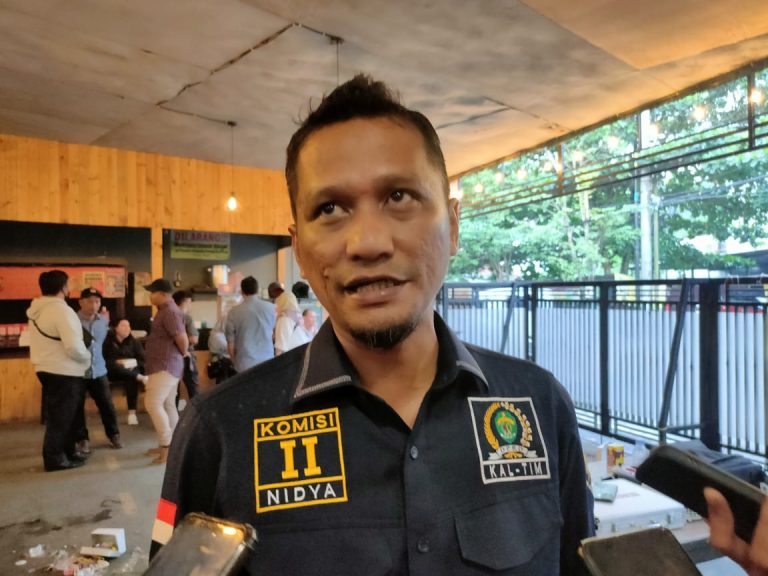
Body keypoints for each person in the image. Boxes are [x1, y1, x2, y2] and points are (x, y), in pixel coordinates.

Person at [152, 75, 768, 574]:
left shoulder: (538, 406)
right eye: (330, 208)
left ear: (453, 225)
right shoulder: (218, 430)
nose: (368, 242)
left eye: (399, 196)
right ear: (301, 248)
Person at [26, 270, 91, 471]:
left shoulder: (37, 310)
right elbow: (73, 346)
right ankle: (55, 458)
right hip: (64, 370)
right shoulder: (62, 311)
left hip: (45, 368)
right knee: (62, 417)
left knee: (63, 415)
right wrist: (86, 357)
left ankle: (68, 452)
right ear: (63, 288)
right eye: (68, 284)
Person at [143, 278, 188, 465]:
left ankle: (167, 446)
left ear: (162, 294)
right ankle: (174, 446)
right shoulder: (166, 311)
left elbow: (182, 339)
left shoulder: (169, 311)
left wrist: (181, 353)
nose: (150, 296)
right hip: (166, 365)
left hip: (165, 365)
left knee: (152, 403)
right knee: (168, 404)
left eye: (152, 292)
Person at [74, 287, 123, 451]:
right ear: (80, 302)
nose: (94, 305)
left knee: (107, 405)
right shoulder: (72, 321)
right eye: (89, 301)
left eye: (97, 301)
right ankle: (82, 439)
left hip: (99, 369)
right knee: (77, 407)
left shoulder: (103, 321)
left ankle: (114, 435)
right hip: (78, 371)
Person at [224, 276, 275, 372]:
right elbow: (275, 334)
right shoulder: (272, 308)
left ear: (242, 291)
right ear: (257, 290)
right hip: (267, 362)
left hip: (244, 364)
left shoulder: (233, 312)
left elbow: (230, 344)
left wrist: (235, 362)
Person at [103, 318, 148, 425]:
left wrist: (131, 362)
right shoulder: (107, 342)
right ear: (115, 328)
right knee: (113, 364)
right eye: (123, 325)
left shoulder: (134, 342)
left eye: (128, 325)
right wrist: (118, 362)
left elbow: (143, 361)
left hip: (130, 372)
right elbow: (105, 360)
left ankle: (132, 414)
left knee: (131, 377)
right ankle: (139, 377)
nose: (127, 328)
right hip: (112, 372)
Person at [172, 290, 199, 406]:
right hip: (187, 357)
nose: (190, 304)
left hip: (171, 358)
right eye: (190, 301)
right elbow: (194, 339)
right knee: (193, 387)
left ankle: (175, 414)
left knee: (174, 390)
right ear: (185, 301)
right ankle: (197, 413)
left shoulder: (168, 316)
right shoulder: (186, 318)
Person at [273, 289, 301, 355]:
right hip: (297, 355)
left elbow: (280, 348)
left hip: (287, 356)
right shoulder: (297, 318)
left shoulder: (284, 320)